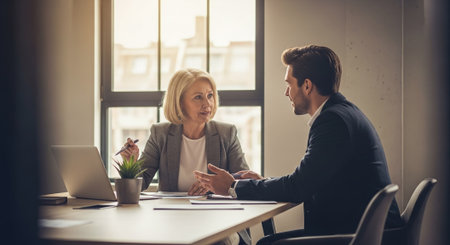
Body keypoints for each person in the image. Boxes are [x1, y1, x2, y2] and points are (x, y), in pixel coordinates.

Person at [194, 45, 404, 244]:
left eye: (289, 84)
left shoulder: (333, 121)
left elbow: (298, 187)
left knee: (267, 244)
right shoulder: (343, 112)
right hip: (364, 231)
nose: (287, 93)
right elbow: (308, 180)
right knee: (269, 242)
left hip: (360, 236)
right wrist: (263, 182)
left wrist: (232, 186)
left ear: (306, 85)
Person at [120, 68, 251, 245]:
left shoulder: (226, 133)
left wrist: (215, 184)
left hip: (218, 221)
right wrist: (131, 163)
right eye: (198, 97)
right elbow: (140, 183)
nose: (207, 104)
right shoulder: (161, 133)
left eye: (210, 95)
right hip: (171, 220)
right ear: (180, 102)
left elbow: (245, 179)